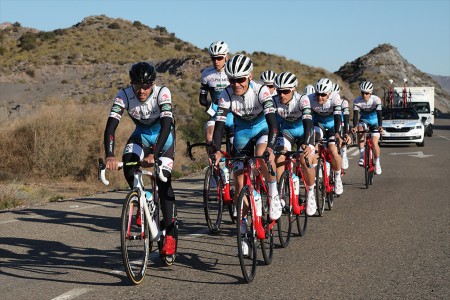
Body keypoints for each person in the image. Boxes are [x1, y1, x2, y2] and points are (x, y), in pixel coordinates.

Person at [103, 62, 177, 256]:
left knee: (163, 180)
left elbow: (167, 124)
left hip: (164, 139)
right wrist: (110, 155)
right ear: (131, 84)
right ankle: (145, 197)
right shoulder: (123, 95)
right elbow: (111, 128)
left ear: (153, 84)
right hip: (141, 136)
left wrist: (155, 153)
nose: (142, 90)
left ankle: (169, 235)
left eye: (146, 86)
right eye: (137, 86)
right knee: (128, 163)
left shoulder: (163, 93)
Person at [211, 54, 282, 234]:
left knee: (261, 156)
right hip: (242, 132)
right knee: (239, 182)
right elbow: (218, 128)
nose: (236, 84)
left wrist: (271, 148)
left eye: (240, 79)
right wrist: (217, 150)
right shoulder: (226, 94)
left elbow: (273, 124)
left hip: (262, 130)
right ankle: (242, 226)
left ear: (250, 76)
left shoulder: (262, 91)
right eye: (232, 80)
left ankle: (273, 194)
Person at [273, 72, 317, 216]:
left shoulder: (302, 99)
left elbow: (308, 122)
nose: (282, 95)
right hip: (287, 132)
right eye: (279, 91)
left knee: (305, 160)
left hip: (304, 131)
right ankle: (280, 195)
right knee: (279, 157)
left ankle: (311, 193)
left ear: (294, 89)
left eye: (286, 91)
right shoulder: (273, 101)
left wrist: (307, 143)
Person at [309, 78, 348, 196]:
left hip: (332, 125)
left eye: (323, 95)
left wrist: (338, 133)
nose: (320, 97)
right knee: (315, 141)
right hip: (318, 124)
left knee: (332, 149)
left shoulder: (335, 98)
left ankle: (337, 177)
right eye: (317, 94)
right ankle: (317, 171)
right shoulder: (310, 99)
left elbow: (337, 117)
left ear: (329, 93)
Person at [199, 41, 233, 152]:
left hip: (232, 113)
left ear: (226, 57)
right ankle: (214, 166)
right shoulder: (206, 73)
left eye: (219, 58)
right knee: (209, 138)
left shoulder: (232, 71)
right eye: (213, 58)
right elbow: (202, 99)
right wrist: (209, 105)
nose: (216, 61)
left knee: (233, 146)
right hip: (215, 113)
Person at [352, 81, 383, 174]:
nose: (364, 95)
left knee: (374, 142)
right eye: (362, 93)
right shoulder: (357, 100)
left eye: (366, 93)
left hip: (375, 121)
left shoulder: (376, 100)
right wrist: (354, 126)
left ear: (371, 93)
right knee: (360, 129)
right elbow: (355, 115)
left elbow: (379, 114)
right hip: (364, 120)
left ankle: (377, 162)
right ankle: (362, 155)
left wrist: (380, 126)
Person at [332, 82, 350, 170]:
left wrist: (347, 132)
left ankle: (344, 153)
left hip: (342, 123)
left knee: (342, 138)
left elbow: (346, 119)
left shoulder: (343, 102)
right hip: (332, 123)